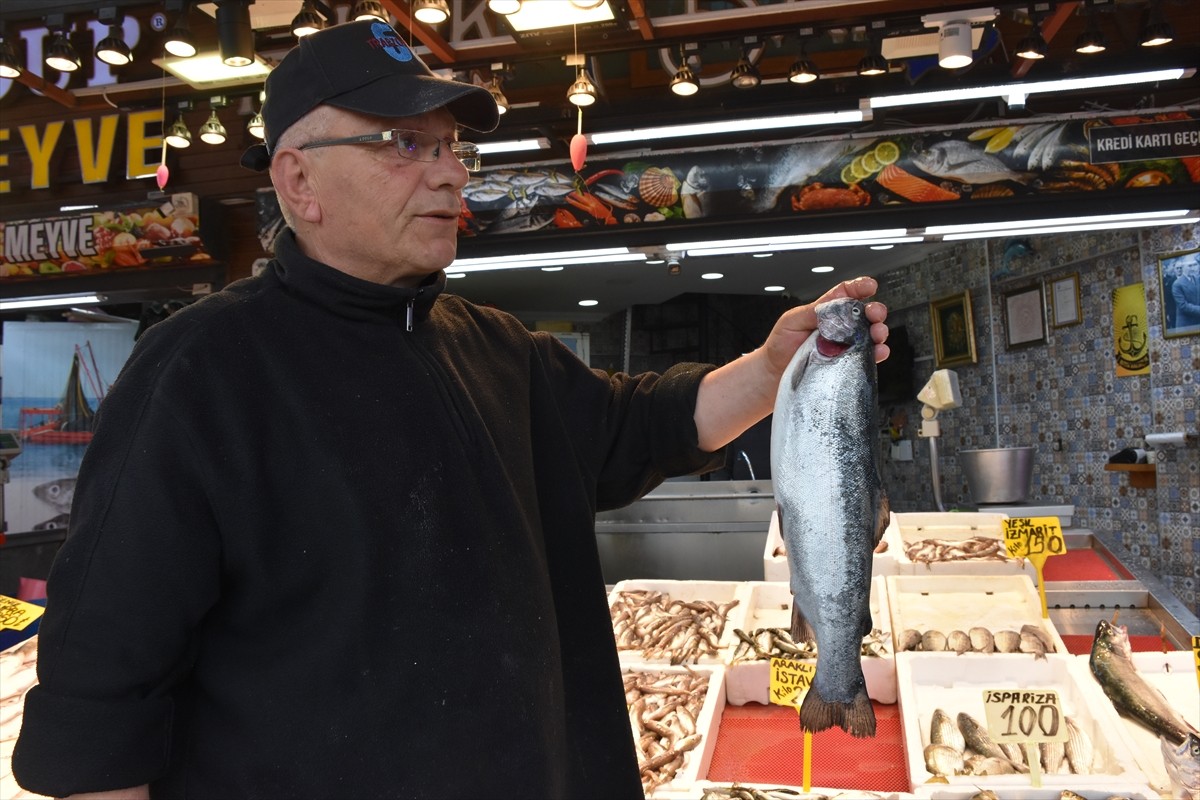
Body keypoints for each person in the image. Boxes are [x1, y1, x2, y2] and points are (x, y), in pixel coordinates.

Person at [13, 20, 887, 800]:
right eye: (405, 143)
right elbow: (99, 696)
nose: (449, 174)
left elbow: (642, 424)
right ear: (298, 181)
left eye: (450, 147)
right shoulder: (200, 373)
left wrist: (775, 370)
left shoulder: (492, 344)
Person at [1171, 253, 1200, 330]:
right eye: (1189, 266)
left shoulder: (1197, 279)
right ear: (1183, 267)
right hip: (1186, 325)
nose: (1193, 268)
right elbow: (1183, 306)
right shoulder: (1177, 284)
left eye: (1194, 265)